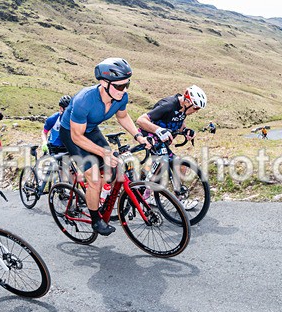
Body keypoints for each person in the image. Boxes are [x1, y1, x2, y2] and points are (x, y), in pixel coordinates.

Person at [59, 57, 148, 236]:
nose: (124, 90)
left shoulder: (120, 97)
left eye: (127, 85)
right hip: (71, 133)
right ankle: (96, 220)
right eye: (120, 86)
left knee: (115, 167)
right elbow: (77, 137)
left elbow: (122, 117)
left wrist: (138, 136)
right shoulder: (84, 100)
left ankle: (103, 199)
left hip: (91, 130)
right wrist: (103, 152)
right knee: (94, 179)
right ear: (104, 82)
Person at [135, 85, 207, 210]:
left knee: (179, 165)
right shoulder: (168, 105)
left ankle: (144, 192)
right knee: (163, 163)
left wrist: (185, 130)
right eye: (195, 107)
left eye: (198, 109)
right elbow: (141, 120)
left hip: (163, 139)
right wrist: (159, 130)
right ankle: (176, 199)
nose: (196, 111)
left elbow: (179, 121)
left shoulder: (183, 108)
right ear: (187, 101)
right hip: (150, 135)